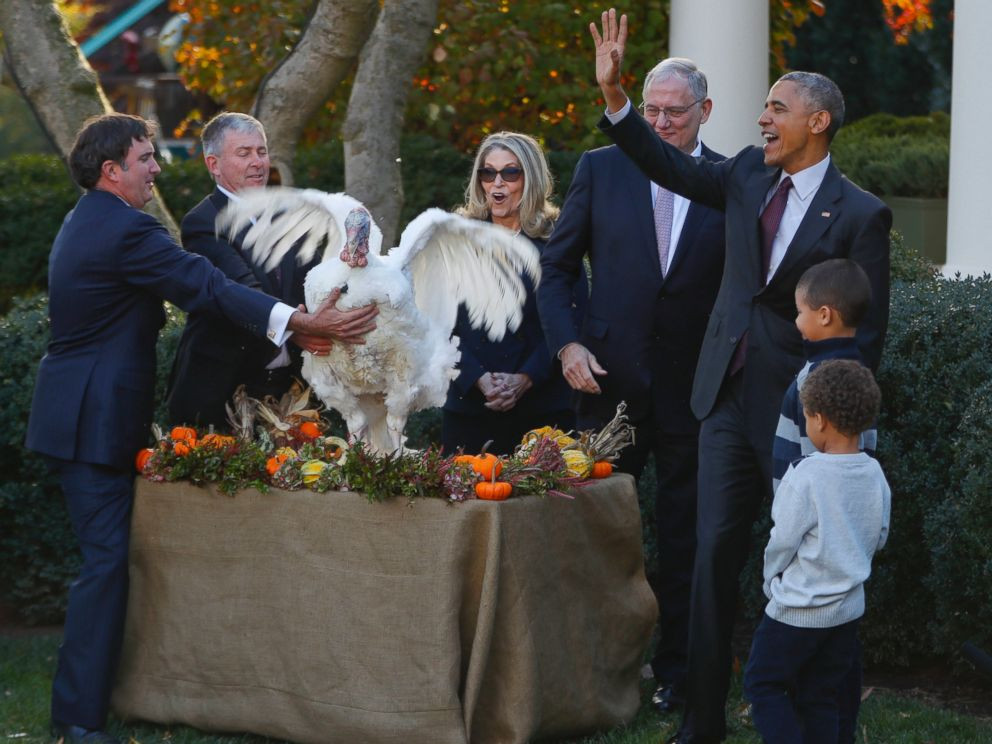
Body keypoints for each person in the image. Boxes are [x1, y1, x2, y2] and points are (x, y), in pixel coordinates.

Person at [24, 113, 377, 743]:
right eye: (145, 158)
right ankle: (76, 723)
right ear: (113, 171)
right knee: (106, 566)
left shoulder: (92, 220)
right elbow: (206, 285)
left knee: (114, 564)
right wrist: (300, 323)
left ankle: (112, 701)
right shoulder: (128, 229)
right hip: (91, 421)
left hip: (83, 416)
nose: (157, 167)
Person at [590, 11, 891, 743]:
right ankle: (702, 720)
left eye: (777, 109)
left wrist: (834, 429)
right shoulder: (749, 174)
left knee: (814, 564)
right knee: (709, 556)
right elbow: (672, 167)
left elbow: (865, 336)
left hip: (801, 416)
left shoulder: (861, 213)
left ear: (817, 121)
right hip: (720, 399)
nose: (762, 119)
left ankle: (819, 712)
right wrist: (617, 99)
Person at [537, 56, 725, 714]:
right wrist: (566, 343)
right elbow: (556, 271)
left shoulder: (727, 180)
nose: (663, 122)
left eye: (676, 111)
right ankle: (593, 673)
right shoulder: (601, 166)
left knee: (686, 542)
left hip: (696, 395)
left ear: (706, 110)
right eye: (653, 110)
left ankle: (677, 674)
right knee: (595, 535)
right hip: (606, 385)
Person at [744, 359, 890, 744]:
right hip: (845, 613)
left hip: (796, 611)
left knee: (763, 684)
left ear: (820, 420)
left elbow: (782, 540)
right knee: (820, 695)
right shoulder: (874, 474)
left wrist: (770, 581)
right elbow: (880, 535)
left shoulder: (806, 475)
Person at [773, 258, 880, 741]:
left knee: (778, 681)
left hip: (807, 560)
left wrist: (778, 565)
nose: (794, 321)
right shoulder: (861, 376)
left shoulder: (817, 380)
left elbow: (805, 472)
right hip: (846, 572)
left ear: (824, 315)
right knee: (837, 677)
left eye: (799, 311)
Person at [167, 112, 319, 429]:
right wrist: (300, 326)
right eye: (244, 153)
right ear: (213, 165)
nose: (257, 162)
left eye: (261, 151)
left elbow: (313, 281)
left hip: (288, 390)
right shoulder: (203, 223)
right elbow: (243, 291)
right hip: (220, 391)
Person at [443, 131, 587, 456]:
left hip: (544, 410)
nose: (497, 183)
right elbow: (437, 323)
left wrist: (526, 378)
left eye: (510, 172)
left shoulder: (559, 239)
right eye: (488, 172)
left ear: (530, 178)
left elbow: (573, 317)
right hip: (469, 408)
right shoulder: (454, 240)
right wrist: (478, 378)